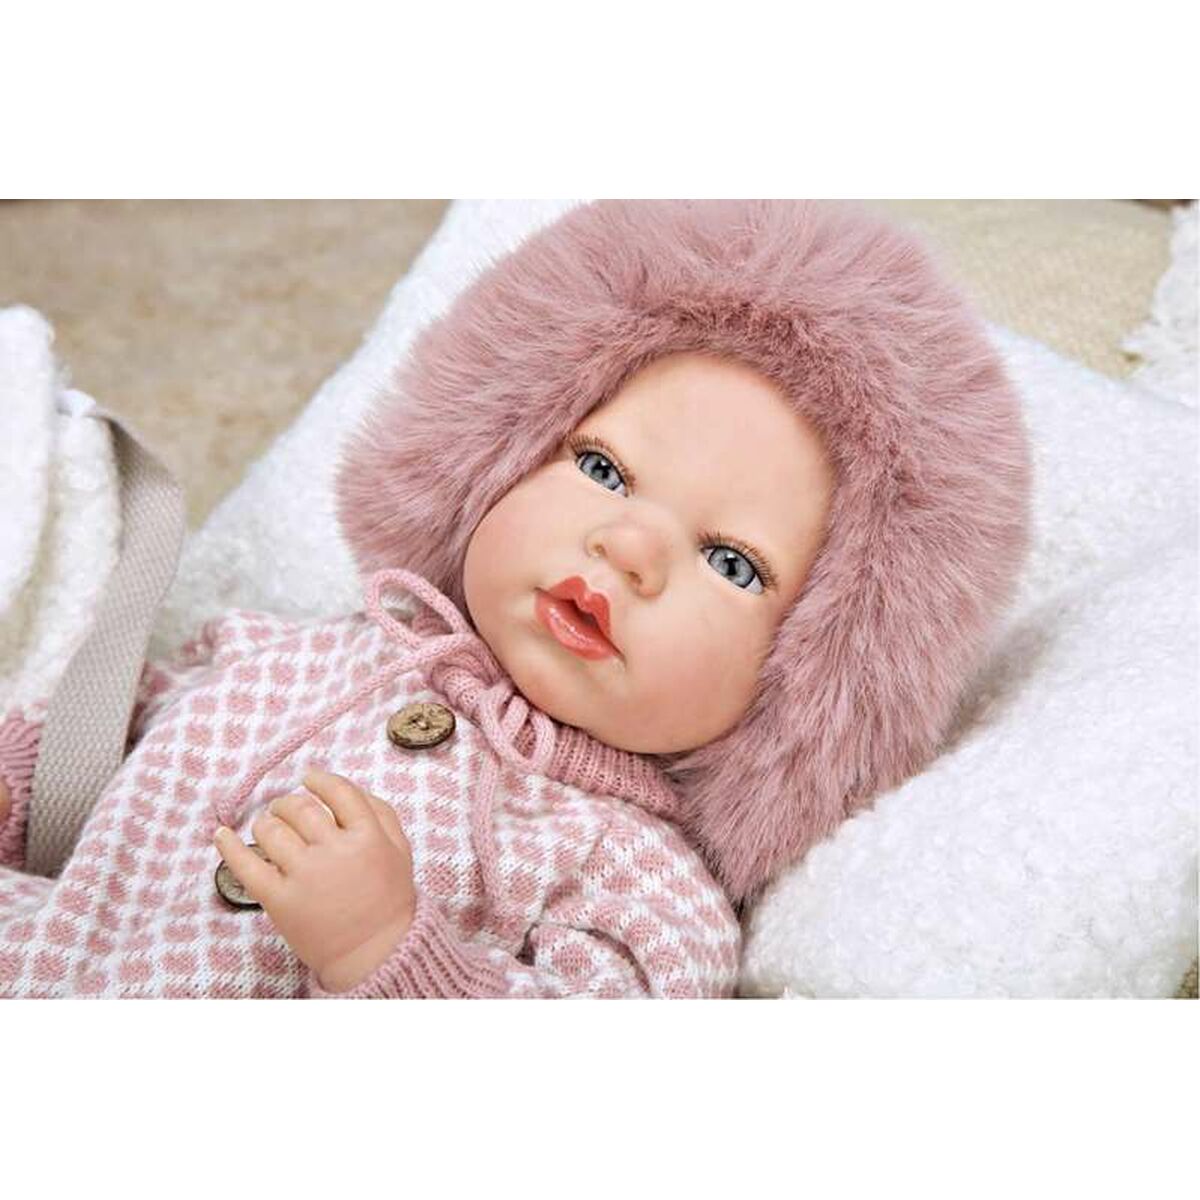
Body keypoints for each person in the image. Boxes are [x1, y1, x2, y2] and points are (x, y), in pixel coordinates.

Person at [0, 199, 1031, 997]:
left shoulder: (644, 885)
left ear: (804, 684)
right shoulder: (289, 652)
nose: (629, 546)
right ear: (492, 459)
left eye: (730, 562)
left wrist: (384, 950)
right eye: (605, 470)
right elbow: (94, 755)